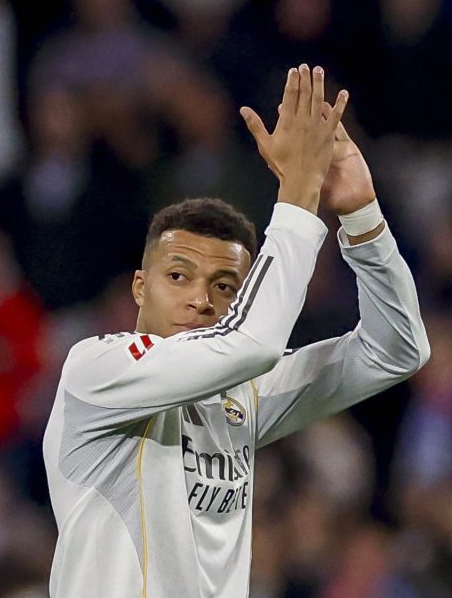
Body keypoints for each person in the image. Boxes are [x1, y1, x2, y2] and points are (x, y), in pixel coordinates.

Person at [42, 64, 431, 596]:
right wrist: (299, 192)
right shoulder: (97, 368)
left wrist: (361, 214)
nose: (201, 299)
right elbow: (253, 343)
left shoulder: (244, 392)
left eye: (226, 287)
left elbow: (397, 351)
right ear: (139, 287)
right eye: (178, 276)